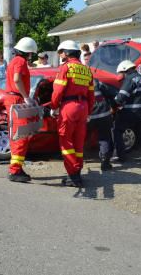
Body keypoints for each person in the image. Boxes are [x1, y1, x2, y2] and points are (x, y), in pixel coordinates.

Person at [51, 40, 94, 187]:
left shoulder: (65, 68)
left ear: (67, 52)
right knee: (78, 142)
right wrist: (89, 111)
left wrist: (53, 106)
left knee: (66, 141)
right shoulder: (87, 69)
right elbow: (91, 95)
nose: (60, 54)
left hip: (69, 107)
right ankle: (76, 173)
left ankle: (73, 174)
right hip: (84, 108)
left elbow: (58, 91)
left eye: (61, 52)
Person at [5, 37, 38, 183]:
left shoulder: (14, 60)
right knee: (21, 136)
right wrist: (26, 97)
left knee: (16, 135)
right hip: (16, 99)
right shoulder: (20, 61)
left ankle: (16, 166)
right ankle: (15, 170)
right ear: (28, 52)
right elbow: (17, 79)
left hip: (13, 98)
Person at [88, 79, 116, 171]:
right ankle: (105, 163)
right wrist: (113, 106)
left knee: (81, 138)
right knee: (104, 138)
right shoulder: (97, 82)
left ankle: (76, 163)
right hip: (103, 114)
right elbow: (112, 94)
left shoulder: (77, 82)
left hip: (88, 116)